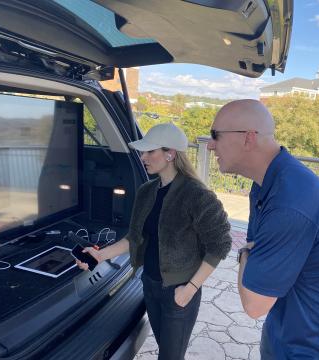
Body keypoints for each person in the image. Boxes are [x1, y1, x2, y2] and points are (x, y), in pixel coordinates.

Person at [208, 99, 319, 359]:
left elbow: (254, 303)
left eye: (215, 135)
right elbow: (258, 258)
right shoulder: (267, 183)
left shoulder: (291, 201)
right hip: (291, 338)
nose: (209, 144)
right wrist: (251, 254)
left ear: (248, 138)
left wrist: (243, 253)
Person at [76, 122, 232, 360]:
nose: (143, 157)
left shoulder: (198, 196)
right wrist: (99, 255)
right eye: (143, 151)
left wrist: (190, 289)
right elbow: (134, 237)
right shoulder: (147, 191)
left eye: (150, 151)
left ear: (170, 154)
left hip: (179, 291)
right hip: (149, 284)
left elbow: (220, 244)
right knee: (165, 349)